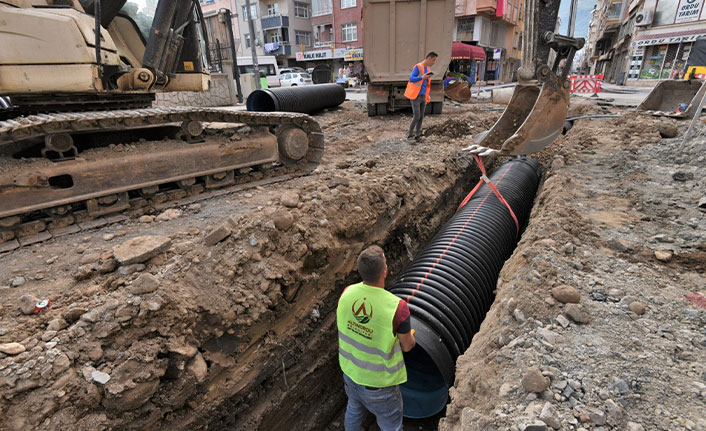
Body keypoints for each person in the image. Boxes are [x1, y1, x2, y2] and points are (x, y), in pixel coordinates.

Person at [337, 246, 416, 431]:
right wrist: (410, 336)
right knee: (391, 424)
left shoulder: (347, 293)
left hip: (350, 373)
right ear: (385, 271)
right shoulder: (397, 307)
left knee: (354, 408)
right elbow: (407, 347)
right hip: (379, 386)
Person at [405, 51, 438, 141]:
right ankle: (410, 134)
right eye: (434, 60)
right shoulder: (418, 67)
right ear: (429, 58)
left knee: (421, 116)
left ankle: (418, 134)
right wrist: (422, 77)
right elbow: (411, 79)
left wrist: (427, 94)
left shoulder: (428, 69)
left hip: (423, 96)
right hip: (415, 95)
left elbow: (426, 84)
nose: (434, 62)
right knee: (417, 116)